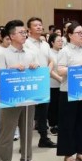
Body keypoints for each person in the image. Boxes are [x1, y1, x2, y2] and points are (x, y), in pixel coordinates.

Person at [0, 20, 41, 161]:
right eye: (21, 32)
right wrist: (11, 70)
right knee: (7, 133)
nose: (24, 34)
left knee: (27, 131)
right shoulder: (2, 54)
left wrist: (35, 67)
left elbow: (37, 73)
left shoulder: (31, 53)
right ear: (12, 35)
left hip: (28, 96)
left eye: (25, 32)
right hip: (11, 98)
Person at [57, 22, 82, 161]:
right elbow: (60, 70)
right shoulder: (65, 51)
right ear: (70, 35)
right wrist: (78, 68)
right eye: (79, 33)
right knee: (68, 123)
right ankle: (68, 153)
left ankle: (81, 151)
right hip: (68, 91)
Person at [24, 17, 57, 148]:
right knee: (28, 112)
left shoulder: (45, 44)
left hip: (43, 81)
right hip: (30, 81)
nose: (39, 27)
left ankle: (44, 138)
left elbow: (51, 60)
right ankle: (25, 142)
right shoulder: (25, 43)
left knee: (43, 111)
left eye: (40, 25)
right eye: (35, 25)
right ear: (29, 29)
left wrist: (47, 71)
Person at [47, 33, 64, 134]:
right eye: (58, 41)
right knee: (53, 106)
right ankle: (52, 125)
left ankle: (59, 124)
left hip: (63, 84)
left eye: (61, 41)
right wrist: (59, 78)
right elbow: (49, 69)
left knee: (60, 106)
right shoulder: (49, 53)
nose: (61, 42)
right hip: (52, 83)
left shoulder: (63, 52)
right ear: (52, 42)